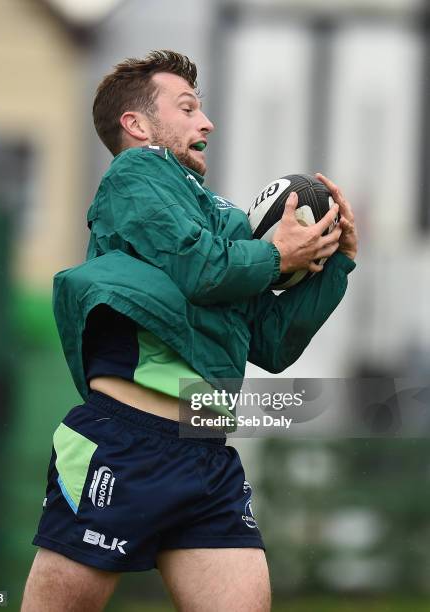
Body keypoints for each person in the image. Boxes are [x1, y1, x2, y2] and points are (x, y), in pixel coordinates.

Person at [22, 50, 357, 611]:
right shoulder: (136, 174)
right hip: (124, 443)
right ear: (137, 125)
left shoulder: (220, 219)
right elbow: (201, 268)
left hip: (205, 454)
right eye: (187, 108)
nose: (206, 122)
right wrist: (275, 256)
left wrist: (335, 260)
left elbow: (272, 344)